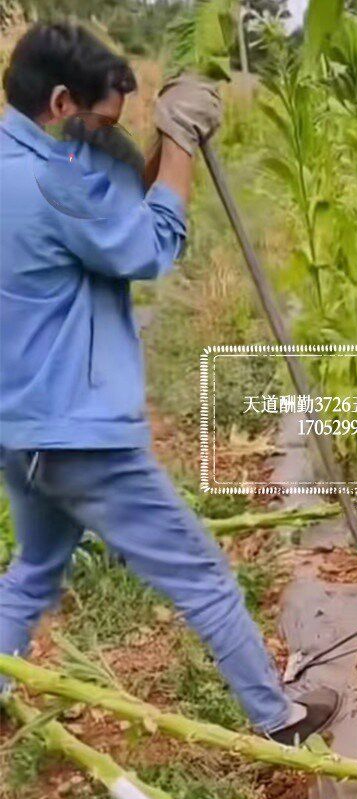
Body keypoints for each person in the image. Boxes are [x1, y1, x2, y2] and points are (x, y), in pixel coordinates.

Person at [0, 21, 338, 744]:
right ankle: (278, 718)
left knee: (33, 573)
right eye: (99, 125)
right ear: (61, 101)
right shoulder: (52, 182)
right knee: (204, 577)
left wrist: (158, 159)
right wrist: (180, 137)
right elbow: (150, 244)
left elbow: (106, 218)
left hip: (21, 430)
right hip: (82, 436)